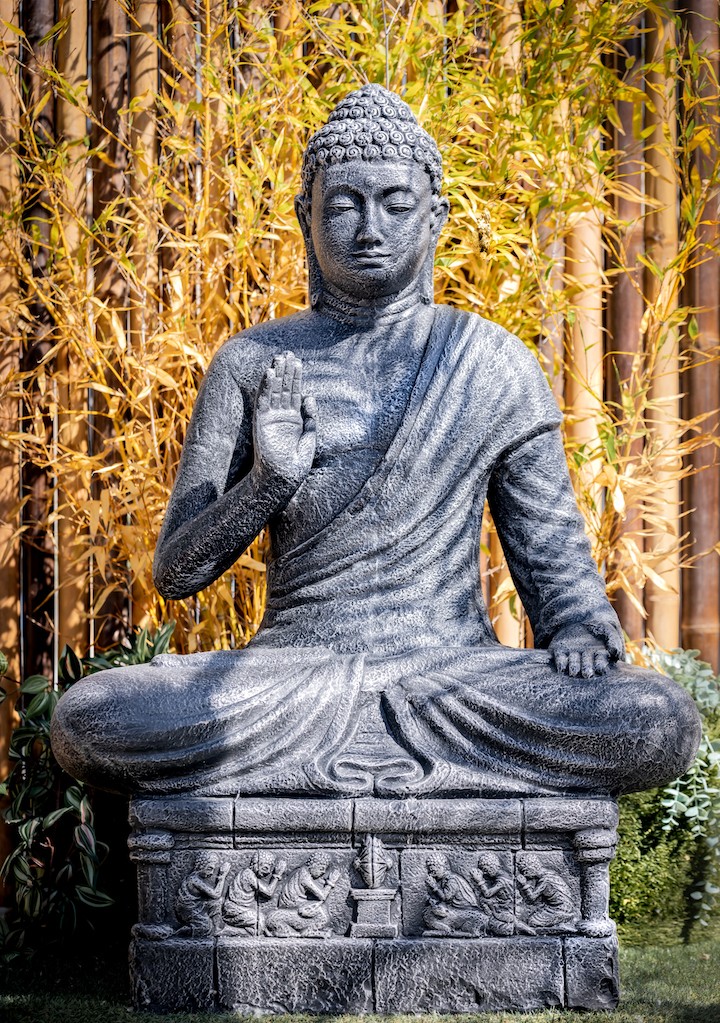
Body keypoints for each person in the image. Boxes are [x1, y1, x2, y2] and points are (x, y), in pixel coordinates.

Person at [51, 84, 701, 800]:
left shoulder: (488, 361)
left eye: (395, 204)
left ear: (435, 218)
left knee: (653, 719)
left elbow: (554, 563)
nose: (369, 228)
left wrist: (577, 627)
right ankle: (395, 761)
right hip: (294, 679)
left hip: (451, 677)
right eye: (343, 204)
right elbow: (177, 573)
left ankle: (340, 763)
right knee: (92, 717)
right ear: (306, 216)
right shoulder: (253, 362)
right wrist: (268, 481)